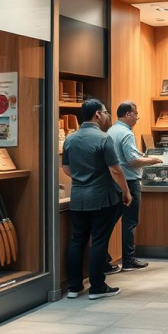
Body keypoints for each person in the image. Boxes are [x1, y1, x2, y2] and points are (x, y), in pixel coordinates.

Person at [62, 98, 133, 300]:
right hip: (102, 197)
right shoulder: (103, 138)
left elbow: (67, 169)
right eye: (105, 112)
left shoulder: (70, 139)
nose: (107, 116)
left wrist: (82, 177)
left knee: (77, 240)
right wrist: (126, 192)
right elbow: (115, 170)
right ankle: (97, 287)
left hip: (78, 197)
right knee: (99, 241)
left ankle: (74, 287)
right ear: (97, 114)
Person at [107, 101, 163, 271]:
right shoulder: (126, 133)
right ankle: (129, 260)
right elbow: (133, 161)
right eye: (136, 113)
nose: (137, 117)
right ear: (127, 114)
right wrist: (154, 160)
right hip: (129, 182)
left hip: (113, 181)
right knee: (130, 222)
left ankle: (104, 258)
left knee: (110, 221)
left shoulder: (111, 131)